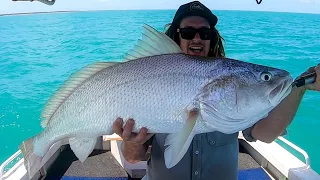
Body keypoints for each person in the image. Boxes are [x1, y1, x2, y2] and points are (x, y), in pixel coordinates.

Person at [112, 1, 320, 180]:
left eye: (204, 32)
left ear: (212, 38)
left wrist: (299, 88)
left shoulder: (232, 82)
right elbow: (132, 158)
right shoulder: (150, 81)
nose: (196, 38)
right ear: (177, 36)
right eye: (187, 32)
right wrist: (131, 142)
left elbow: (265, 134)